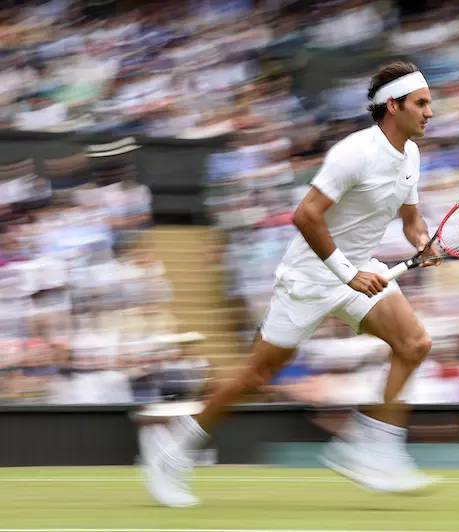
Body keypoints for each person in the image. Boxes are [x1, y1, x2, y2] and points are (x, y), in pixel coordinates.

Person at [138, 61, 439, 507]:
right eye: (421, 103)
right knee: (255, 375)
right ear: (392, 106)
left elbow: (410, 221)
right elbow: (305, 216)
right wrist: (348, 273)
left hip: (357, 269)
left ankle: (372, 448)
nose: (430, 112)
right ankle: (171, 449)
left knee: (414, 344)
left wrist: (424, 242)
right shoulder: (354, 153)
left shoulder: (410, 155)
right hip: (311, 278)